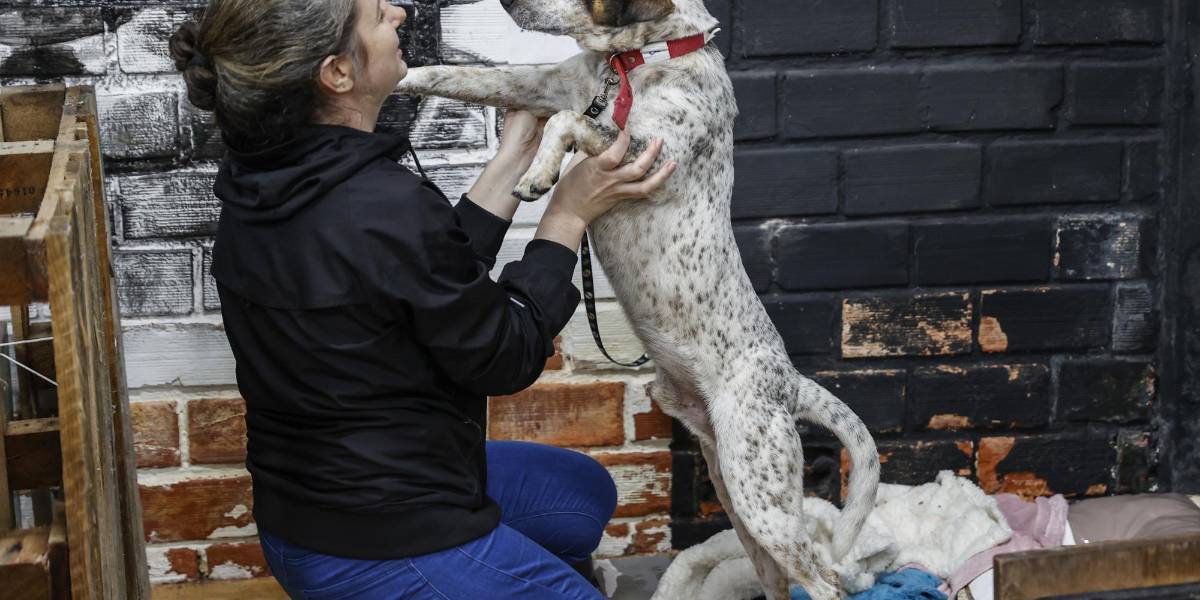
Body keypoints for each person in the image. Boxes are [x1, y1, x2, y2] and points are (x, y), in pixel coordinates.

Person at [169, 0, 676, 598]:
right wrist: (568, 212)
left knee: (578, 495)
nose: (400, 12)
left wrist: (513, 158)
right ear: (337, 73)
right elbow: (505, 354)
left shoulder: (263, 183)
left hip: (305, 516)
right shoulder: (384, 205)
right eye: (374, 14)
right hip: (383, 540)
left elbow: (419, 273)